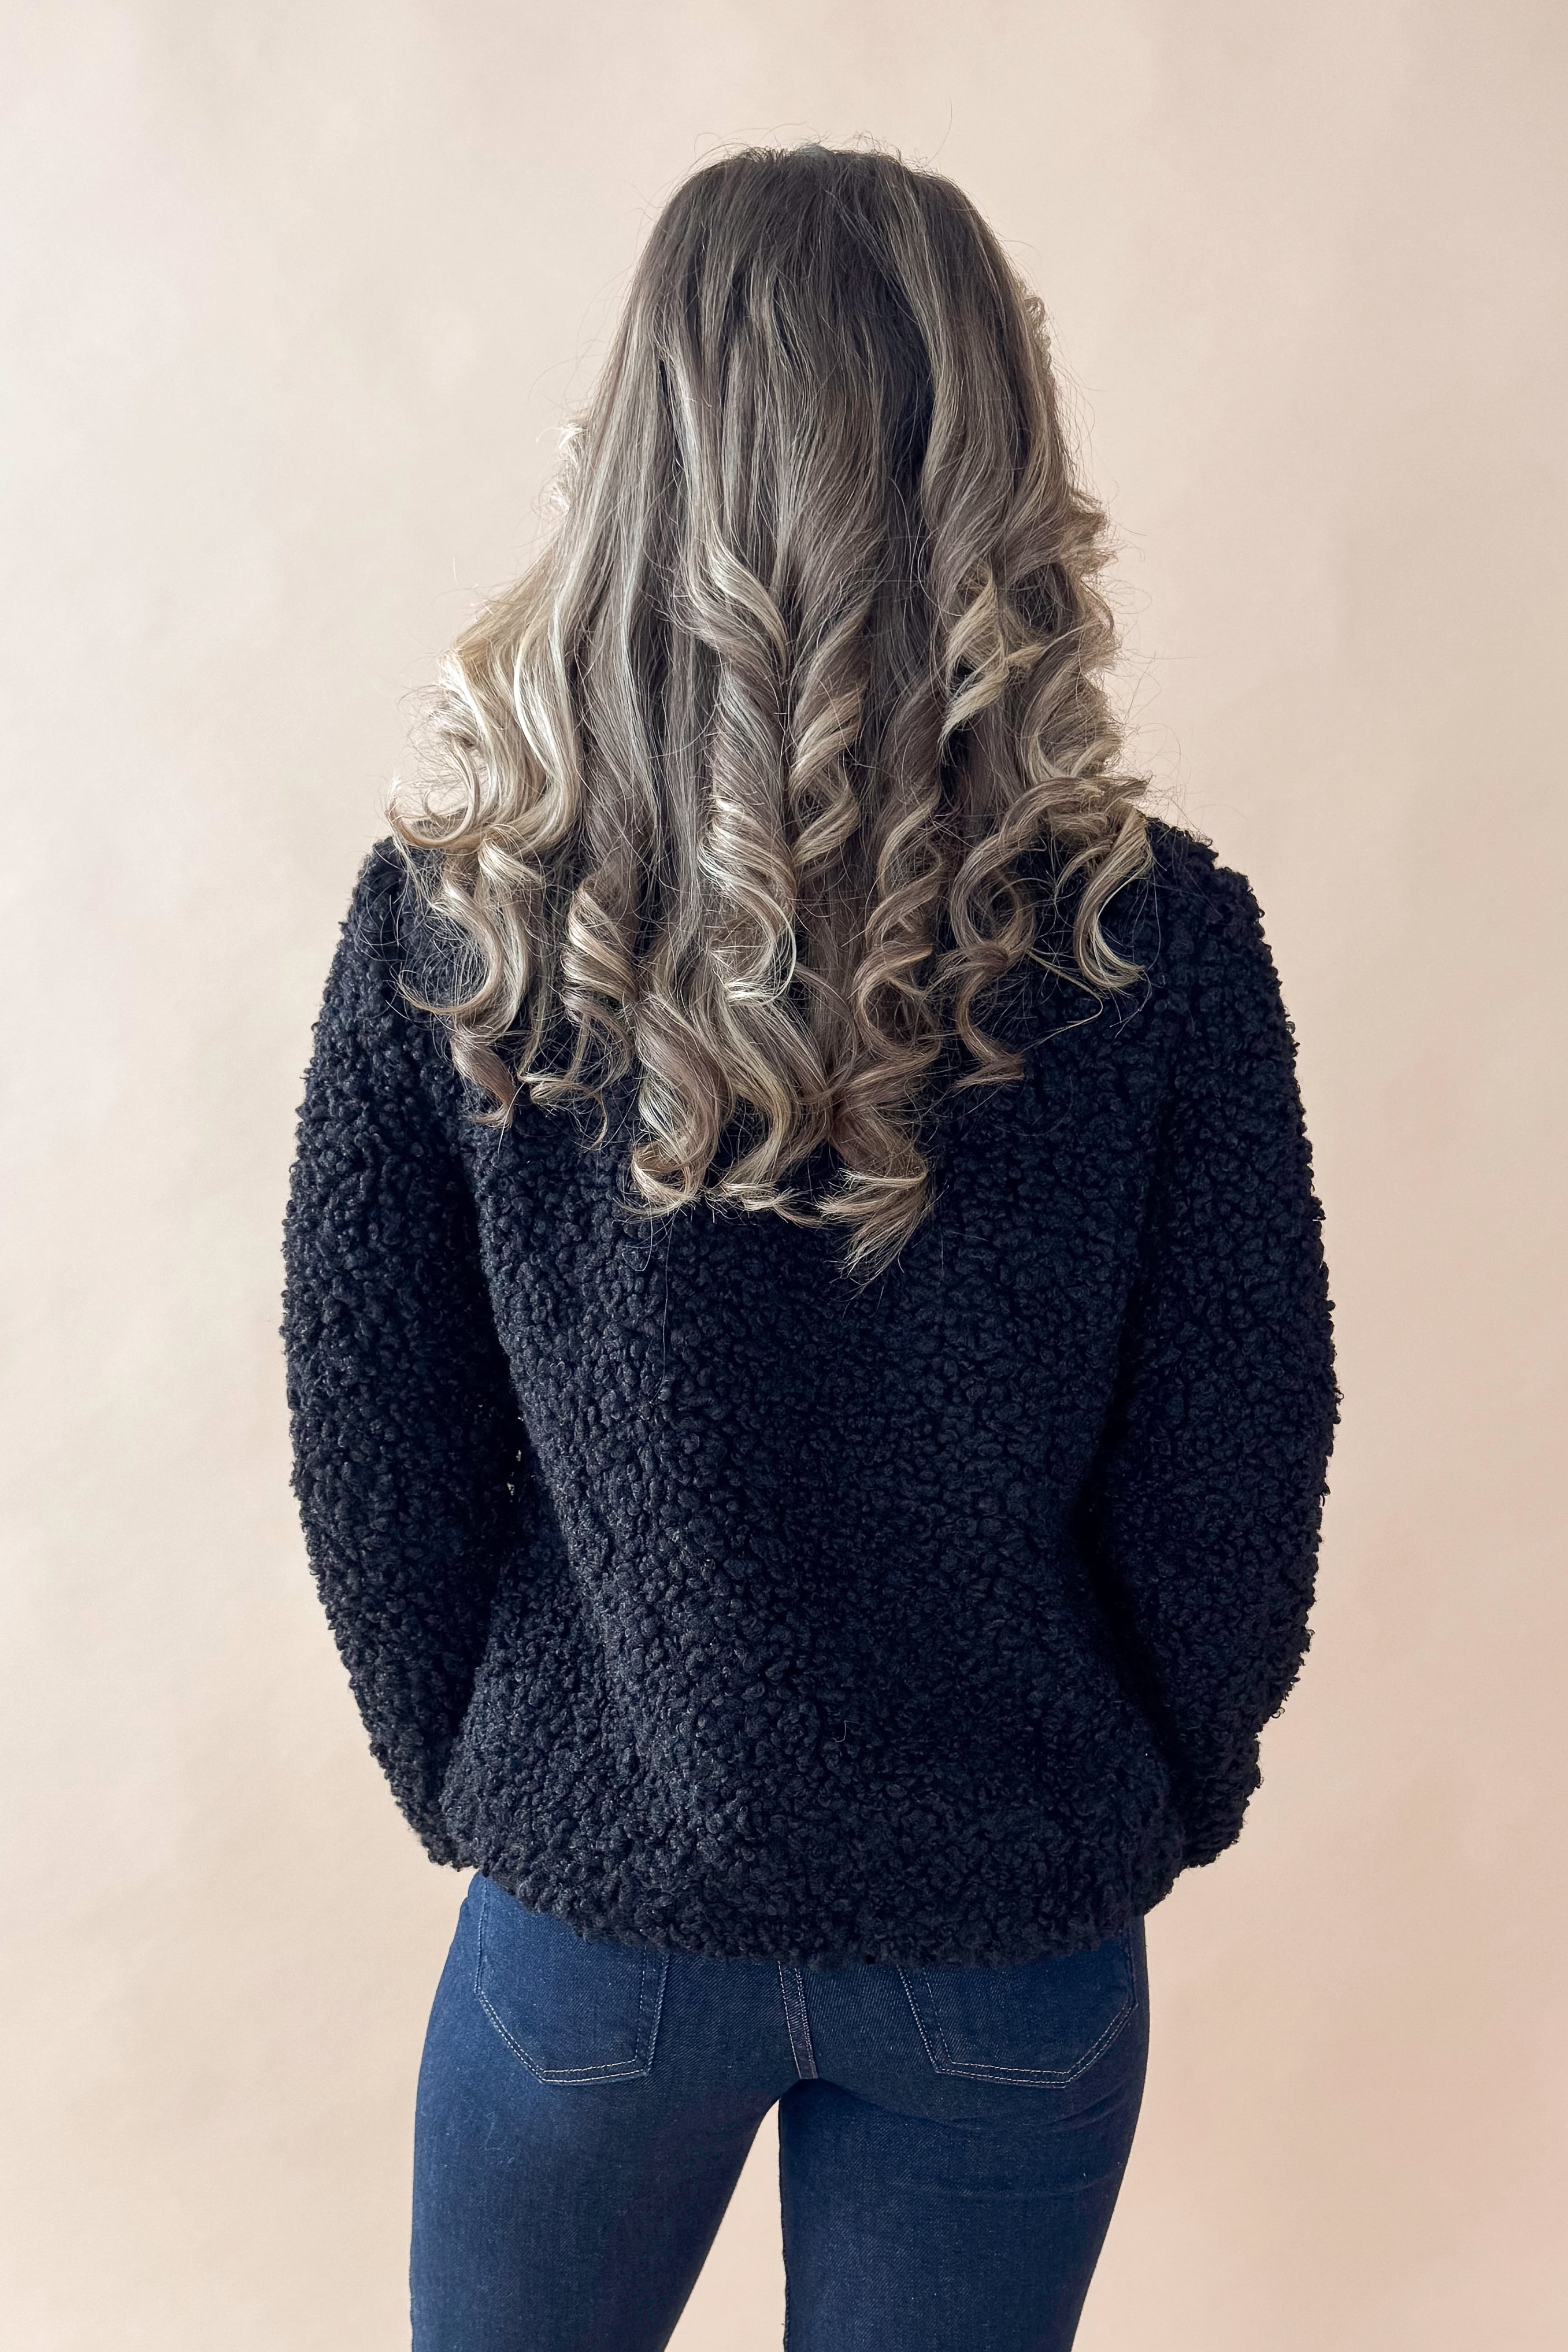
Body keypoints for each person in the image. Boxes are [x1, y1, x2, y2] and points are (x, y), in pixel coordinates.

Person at [281, 140, 1339, 2352]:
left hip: (593, 1911)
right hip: (1002, 1924)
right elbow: (1237, 1446)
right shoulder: (1152, 946)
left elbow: (367, 1427)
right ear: (1000, 454)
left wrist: (494, 1769)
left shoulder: (464, 928)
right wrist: (1142, 1786)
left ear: (641, 440)